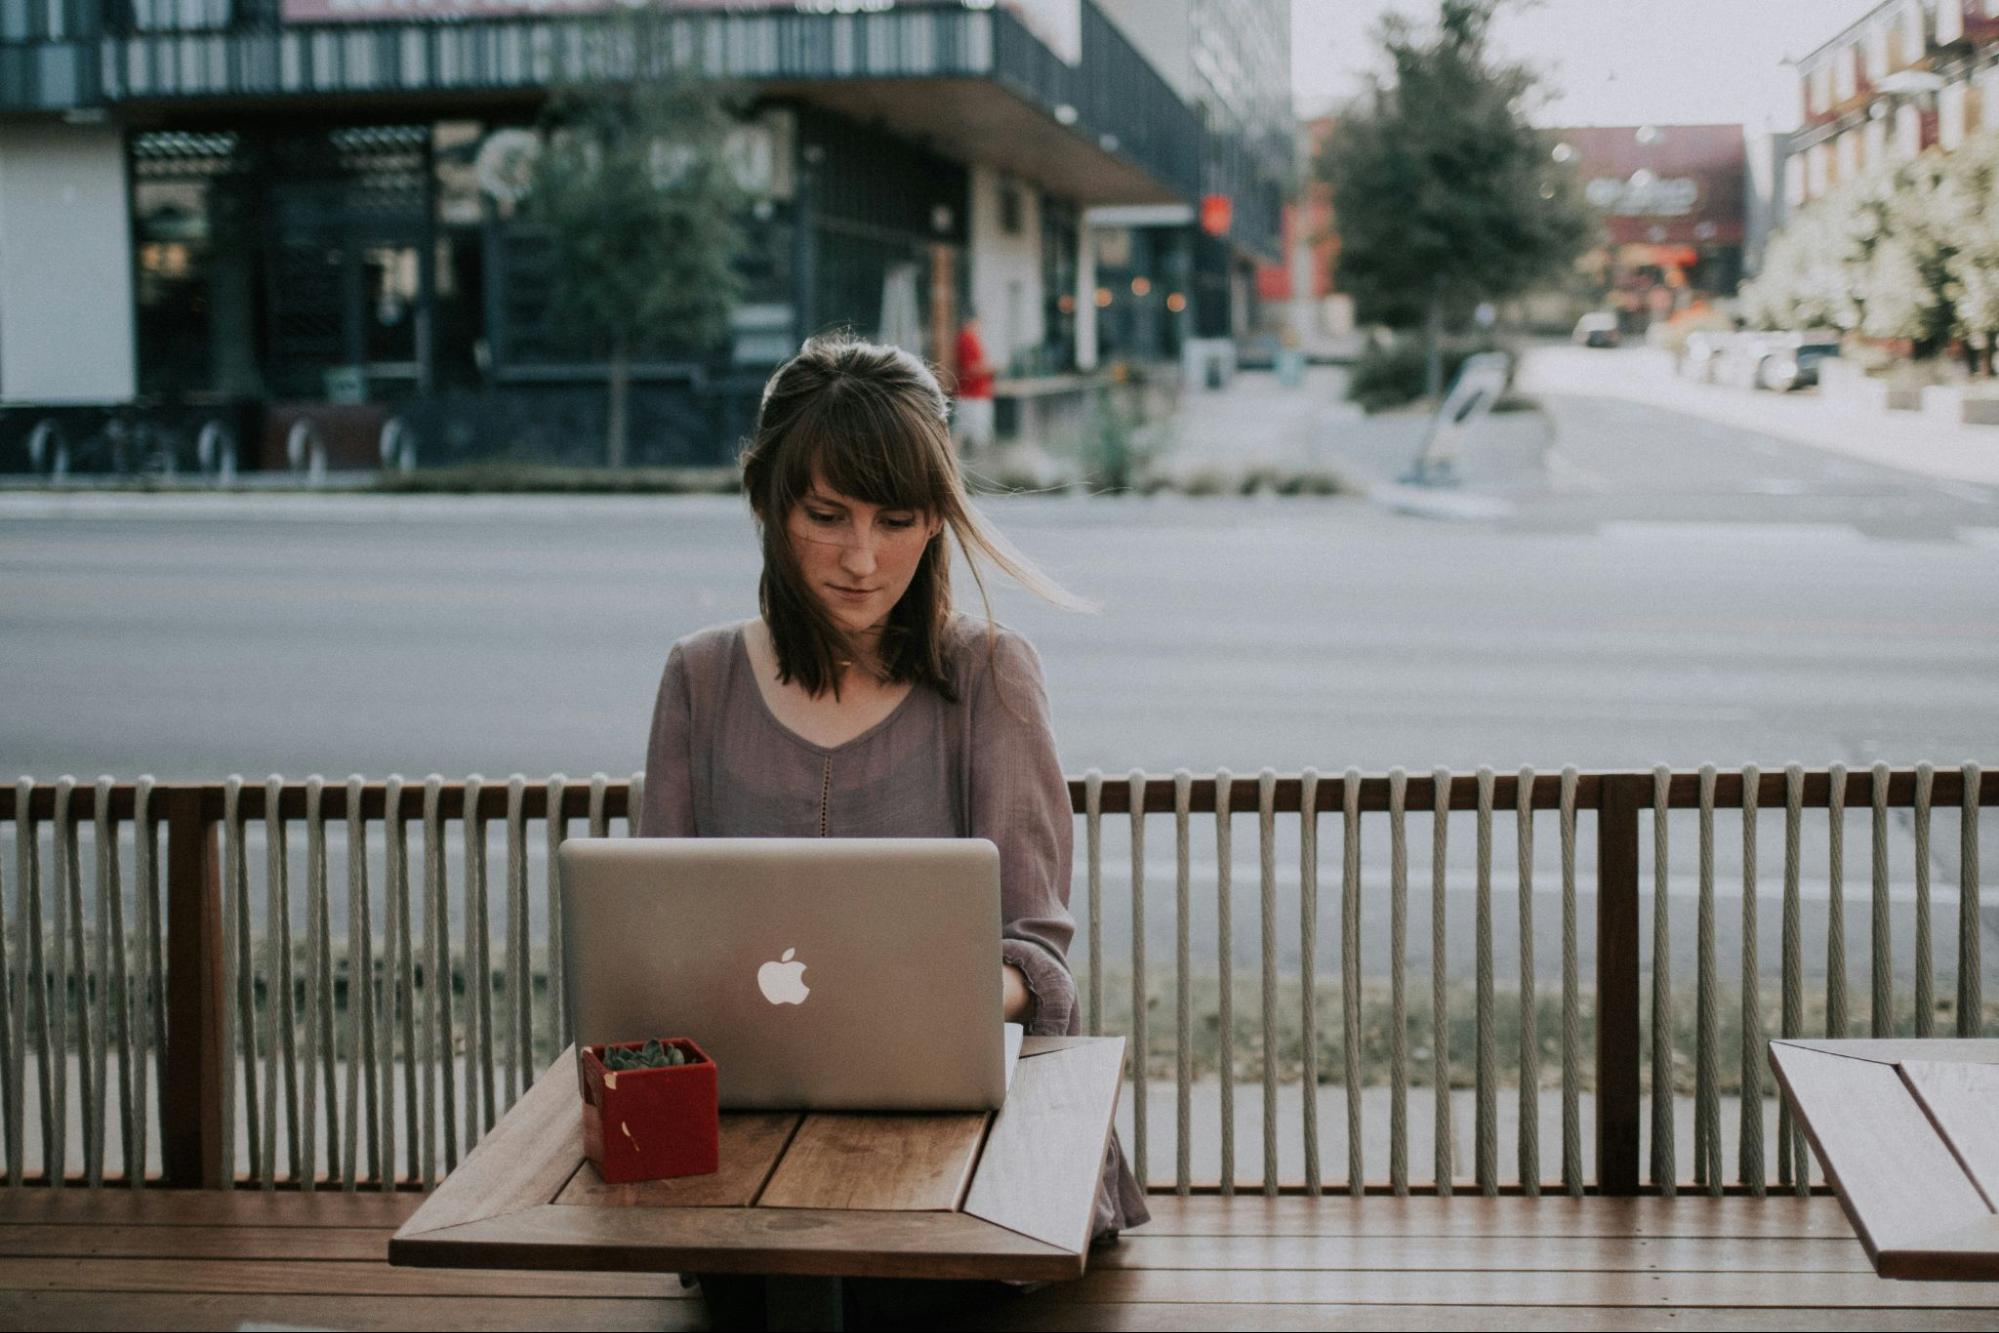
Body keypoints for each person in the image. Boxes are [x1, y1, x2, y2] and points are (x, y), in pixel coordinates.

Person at [638, 333, 1148, 1328]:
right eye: (824, 516)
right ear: (768, 504)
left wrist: (909, 994)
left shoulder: (989, 675)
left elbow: (1038, 959)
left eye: (897, 519)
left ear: (936, 523)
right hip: (746, 1143)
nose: (861, 559)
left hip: (960, 1149)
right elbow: (654, 936)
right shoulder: (699, 678)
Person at [951, 310, 997, 457]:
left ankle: (956, 461)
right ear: (972, 322)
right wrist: (991, 367)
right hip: (972, 395)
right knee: (975, 433)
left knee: (962, 431)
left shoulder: (969, 339)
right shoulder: (967, 339)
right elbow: (971, 368)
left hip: (974, 394)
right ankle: (978, 464)